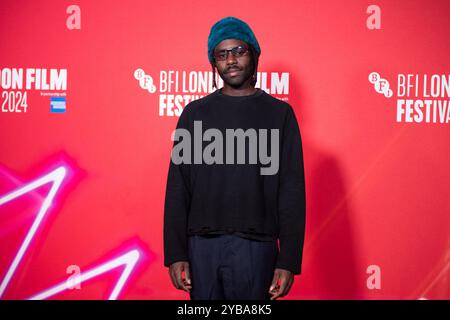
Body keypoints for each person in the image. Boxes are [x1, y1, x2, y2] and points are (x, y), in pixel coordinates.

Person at [164, 16, 306, 300]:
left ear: (254, 55)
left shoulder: (280, 115)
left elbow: (291, 191)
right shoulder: (194, 114)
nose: (231, 60)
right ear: (213, 62)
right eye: (222, 54)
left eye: (239, 51)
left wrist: (288, 259)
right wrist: (176, 252)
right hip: (202, 247)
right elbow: (178, 185)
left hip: (258, 247)